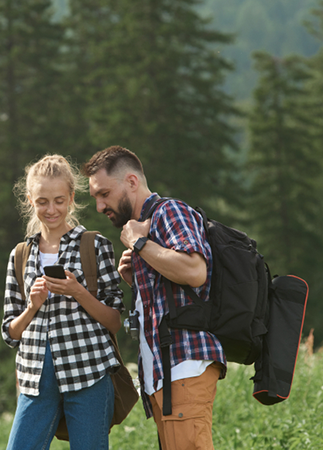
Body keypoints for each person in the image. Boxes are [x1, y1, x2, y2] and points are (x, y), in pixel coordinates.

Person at [83, 146, 226, 450]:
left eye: (104, 193)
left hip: (183, 367)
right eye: (96, 197)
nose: (99, 205)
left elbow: (196, 270)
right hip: (165, 375)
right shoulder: (145, 226)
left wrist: (139, 243)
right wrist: (135, 277)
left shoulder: (168, 212)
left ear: (132, 182)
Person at [2, 154, 125, 450]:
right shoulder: (20, 255)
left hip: (88, 372)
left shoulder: (94, 246)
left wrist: (78, 291)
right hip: (34, 378)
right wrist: (32, 306)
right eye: (42, 201)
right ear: (30, 200)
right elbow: (10, 333)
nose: (51, 209)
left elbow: (114, 320)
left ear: (71, 198)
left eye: (59, 200)